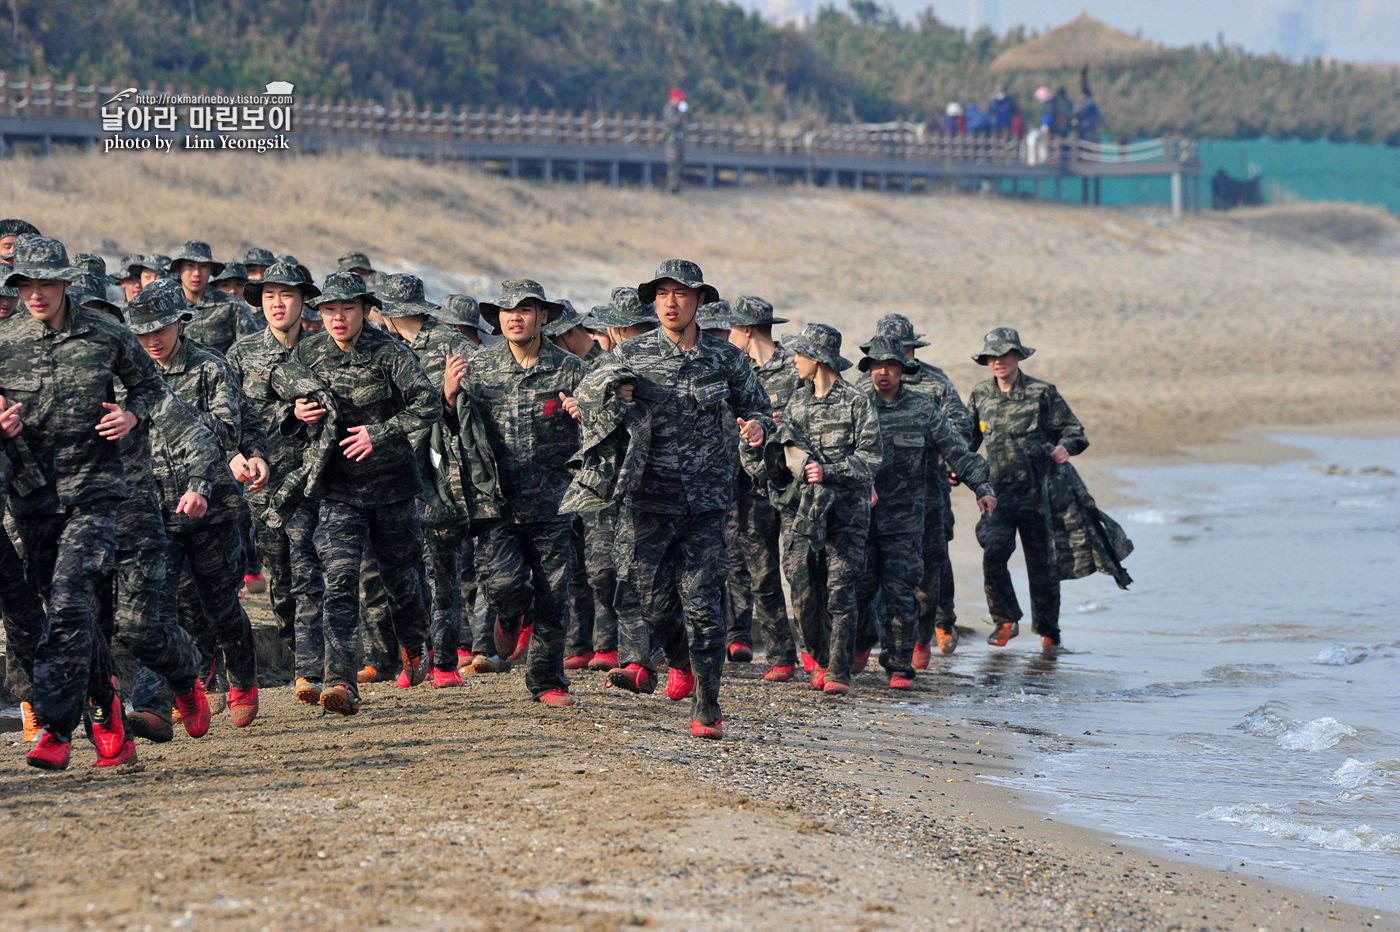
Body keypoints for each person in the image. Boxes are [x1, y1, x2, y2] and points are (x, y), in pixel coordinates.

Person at [579, 260, 773, 739]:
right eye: (662, 293)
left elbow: (761, 407)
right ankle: (679, 660)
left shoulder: (725, 358)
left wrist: (757, 428)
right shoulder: (632, 353)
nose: (670, 302)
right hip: (646, 500)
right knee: (652, 601)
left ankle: (707, 706)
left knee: (704, 604)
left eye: (681, 294)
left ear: (700, 301)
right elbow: (585, 395)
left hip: (706, 502)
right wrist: (611, 392)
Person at [0, 235, 172, 770]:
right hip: (33, 496)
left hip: (94, 493)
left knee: (72, 600)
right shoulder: (4, 340)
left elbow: (150, 385)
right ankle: (108, 712)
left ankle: (54, 730)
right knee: (74, 616)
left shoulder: (105, 333)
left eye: (46, 282)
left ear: (65, 284)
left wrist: (132, 416)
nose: (36, 293)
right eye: (26, 283)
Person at [281, 272, 439, 714]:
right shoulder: (307, 354)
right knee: (340, 582)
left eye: (346, 309)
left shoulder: (391, 352)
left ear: (365, 310)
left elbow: (427, 404)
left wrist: (380, 433)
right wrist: (299, 412)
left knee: (402, 585)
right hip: (338, 491)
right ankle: (340, 683)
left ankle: (413, 645)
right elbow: (286, 413)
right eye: (329, 310)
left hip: (391, 489)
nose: (337, 318)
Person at [127, 279, 264, 729]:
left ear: (179, 323)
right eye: (143, 331)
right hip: (156, 512)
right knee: (157, 610)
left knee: (219, 605)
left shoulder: (211, 369)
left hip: (215, 511)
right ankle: (154, 703)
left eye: (160, 328)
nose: (152, 340)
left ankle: (242, 677)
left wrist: (168, 408)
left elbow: (227, 430)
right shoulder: (128, 377)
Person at [465, 279, 583, 707]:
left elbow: (604, 419)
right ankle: (513, 613)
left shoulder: (570, 370)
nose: (514, 316)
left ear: (544, 316)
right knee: (503, 585)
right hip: (493, 502)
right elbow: (452, 425)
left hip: (553, 500)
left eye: (525, 309)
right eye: (506, 310)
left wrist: (585, 411)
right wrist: (446, 393)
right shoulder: (478, 368)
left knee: (554, 594)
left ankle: (547, 682)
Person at [856, 336, 995, 689]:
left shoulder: (922, 409)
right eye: (876, 365)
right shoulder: (856, 405)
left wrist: (981, 487)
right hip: (859, 516)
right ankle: (859, 644)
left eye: (890, 365)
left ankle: (899, 665)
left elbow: (957, 451)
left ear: (903, 370)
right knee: (861, 589)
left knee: (902, 590)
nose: (883, 372)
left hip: (905, 518)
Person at [228, 261, 327, 705]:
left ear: (304, 301)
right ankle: (297, 650)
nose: (277, 304)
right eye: (270, 296)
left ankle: (309, 672)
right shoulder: (241, 354)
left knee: (309, 575)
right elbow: (231, 418)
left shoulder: (324, 352)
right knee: (282, 583)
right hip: (262, 488)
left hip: (315, 482)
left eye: (286, 295)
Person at [376, 273, 477, 688]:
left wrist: (449, 396)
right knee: (402, 574)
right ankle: (414, 658)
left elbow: (473, 406)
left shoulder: (453, 345)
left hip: (441, 474)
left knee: (441, 571)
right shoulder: (382, 347)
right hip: (393, 473)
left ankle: (445, 664)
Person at [774, 323, 881, 697]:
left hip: (847, 514)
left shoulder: (856, 402)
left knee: (840, 592)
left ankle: (838, 671)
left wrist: (830, 471)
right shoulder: (796, 402)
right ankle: (819, 657)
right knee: (802, 592)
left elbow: (870, 459)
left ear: (818, 359)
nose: (794, 360)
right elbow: (784, 450)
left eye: (800, 354)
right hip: (804, 514)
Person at [967, 328, 1088, 651]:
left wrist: (1065, 446)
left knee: (1043, 567)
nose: (999, 361)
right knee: (993, 554)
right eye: (992, 356)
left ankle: (1049, 632)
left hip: (1040, 497)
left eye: (1005, 355)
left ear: (1018, 356)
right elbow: (966, 442)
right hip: (997, 497)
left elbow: (1074, 430)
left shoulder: (1042, 393)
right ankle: (1005, 620)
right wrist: (955, 469)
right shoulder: (981, 394)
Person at [725, 295, 801, 680]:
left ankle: (818, 654)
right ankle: (781, 657)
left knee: (798, 573)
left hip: (792, 491)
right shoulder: (736, 370)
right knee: (762, 575)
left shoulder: (797, 368)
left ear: (748, 330)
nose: (727, 336)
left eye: (733, 329)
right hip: (750, 490)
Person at [169, 240, 261, 354]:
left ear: (211, 270)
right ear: (179, 269)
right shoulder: (167, 306)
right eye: (190, 266)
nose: (197, 273)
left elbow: (252, 350)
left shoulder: (231, 305)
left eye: (203, 266)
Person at [662, 88, 687, 195]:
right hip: (671, 142)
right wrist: (681, 113)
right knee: (672, 166)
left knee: (679, 166)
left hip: (678, 142)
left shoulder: (677, 110)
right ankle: (671, 190)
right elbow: (674, 122)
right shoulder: (668, 109)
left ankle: (676, 190)